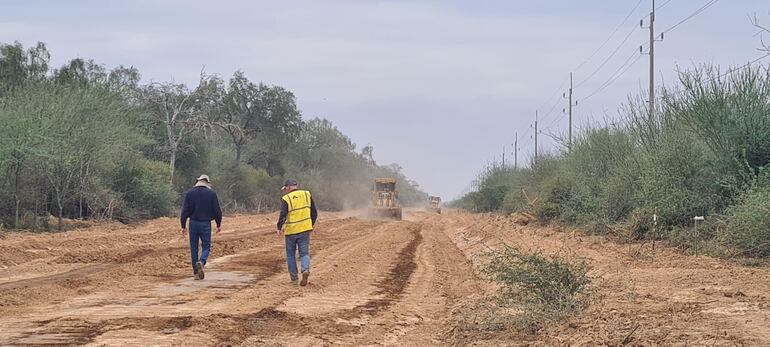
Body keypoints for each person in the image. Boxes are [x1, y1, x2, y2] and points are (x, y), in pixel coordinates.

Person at [276, 179, 318, 286]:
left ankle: (294, 279)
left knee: (290, 255)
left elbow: (283, 215)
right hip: (305, 229)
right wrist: (310, 225)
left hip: (291, 232)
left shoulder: (287, 198)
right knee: (304, 253)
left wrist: (279, 227)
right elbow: (314, 213)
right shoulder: (306, 194)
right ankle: (305, 270)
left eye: (285, 189)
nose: (285, 191)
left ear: (289, 188)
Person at [180, 174, 222, 280]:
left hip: (193, 223)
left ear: (198, 181)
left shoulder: (190, 193)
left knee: (193, 248)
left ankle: (195, 273)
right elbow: (217, 210)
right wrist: (218, 224)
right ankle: (202, 262)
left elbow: (185, 211)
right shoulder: (211, 193)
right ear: (207, 183)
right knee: (206, 247)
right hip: (205, 224)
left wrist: (183, 226)